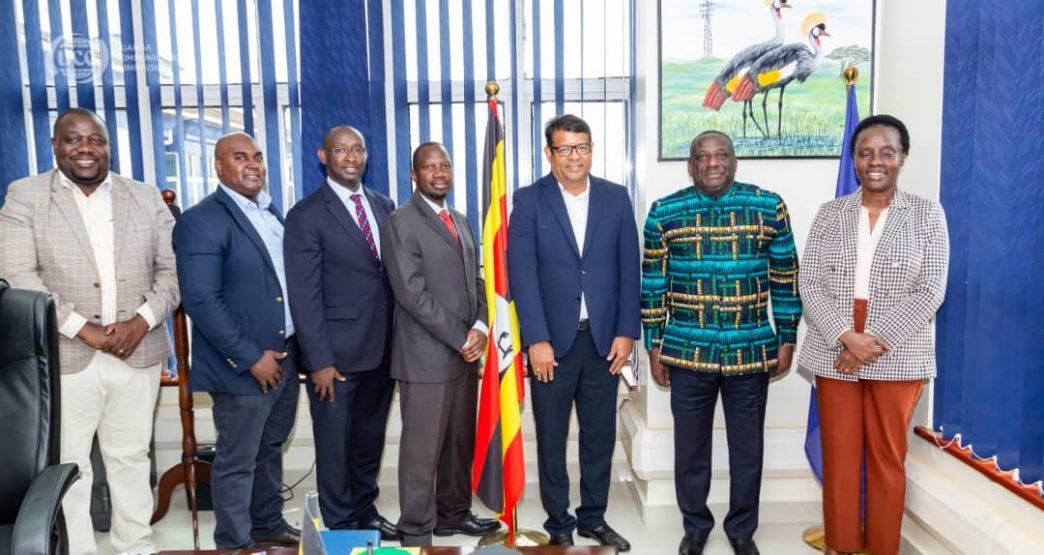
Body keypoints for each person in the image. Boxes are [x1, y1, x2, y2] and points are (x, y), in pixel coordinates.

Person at [0, 107, 179, 555]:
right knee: (69, 465)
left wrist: (141, 321)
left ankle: (135, 546)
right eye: (73, 139)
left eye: (95, 140)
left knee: (131, 459)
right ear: (56, 146)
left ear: (108, 146)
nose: (85, 148)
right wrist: (86, 330)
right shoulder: (25, 195)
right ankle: (78, 549)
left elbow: (172, 272)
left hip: (138, 351)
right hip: (64, 354)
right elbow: (19, 273)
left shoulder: (144, 196)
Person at [642, 130, 801, 555]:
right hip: (685, 349)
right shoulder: (664, 213)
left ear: (735, 160)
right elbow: (653, 284)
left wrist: (787, 336)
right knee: (690, 448)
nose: (713, 163)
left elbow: (786, 277)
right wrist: (653, 343)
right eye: (702, 156)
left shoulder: (769, 207)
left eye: (721, 154)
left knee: (747, 448)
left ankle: (741, 530)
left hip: (750, 349)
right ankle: (695, 526)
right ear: (690, 164)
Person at [798, 115, 948, 555]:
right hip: (834, 344)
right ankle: (841, 546)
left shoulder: (926, 213)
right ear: (854, 159)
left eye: (886, 152)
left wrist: (869, 342)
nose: (875, 161)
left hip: (898, 351)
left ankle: (883, 548)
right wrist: (846, 335)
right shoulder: (830, 213)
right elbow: (810, 283)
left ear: (902, 158)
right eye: (865, 153)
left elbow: (930, 289)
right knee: (841, 458)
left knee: (886, 459)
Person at [507, 114, 640, 551]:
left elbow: (628, 270)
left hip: (603, 342)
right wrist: (536, 340)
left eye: (581, 147)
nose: (574, 156)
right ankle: (559, 522)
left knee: (600, 435)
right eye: (564, 148)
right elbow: (522, 274)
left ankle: (593, 518)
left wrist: (626, 332)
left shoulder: (615, 198)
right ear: (549, 153)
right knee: (551, 435)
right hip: (552, 345)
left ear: (591, 148)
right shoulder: (529, 201)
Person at [173, 133, 301, 549]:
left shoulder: (269, 212)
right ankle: (233, 542)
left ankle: (267, 523)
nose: (253, 164)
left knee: (269, 448)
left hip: (285, 354)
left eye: (258, 157)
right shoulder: (203, 219)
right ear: (218, 166)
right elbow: (201, 299)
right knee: (238, 459)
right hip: (244, 363)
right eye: (240, 157)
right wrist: (250, 358)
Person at [381, 142, 500, 546]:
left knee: (457, 443)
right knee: (422, 450)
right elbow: (411, 294)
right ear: (414, 175)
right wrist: (459, 337)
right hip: (426, 357)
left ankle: (453, 515)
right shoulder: (401, 221)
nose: (438, 172)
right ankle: (415, 530)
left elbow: (476, 282)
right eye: (428, 167)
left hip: (465, 355)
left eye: (444, 165)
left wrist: (481, 326)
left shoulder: (461, 220)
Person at [284, 126, 399, 540]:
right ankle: (342, 527)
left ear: (366, 155)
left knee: (368, 441)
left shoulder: (384, 205)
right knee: (335, 448)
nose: (350, 157)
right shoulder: (307, 213)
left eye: (357, 150)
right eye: (340, 150)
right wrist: (319, 361)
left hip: (382, 351)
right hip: (334, 357)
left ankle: (365, 512)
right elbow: (304, 294)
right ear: (323, 156)